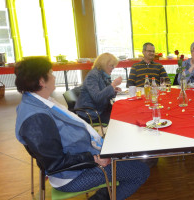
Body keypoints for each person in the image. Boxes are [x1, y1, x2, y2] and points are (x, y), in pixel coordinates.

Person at [14, 57, 150, 200]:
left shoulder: (36, 102)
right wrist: (94, 159)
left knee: (124, 146)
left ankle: (109, 188)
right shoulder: (36, 118)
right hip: (71, 176)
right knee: (141, 171)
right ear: (42, 81)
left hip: (80, 157)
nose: (54, 77)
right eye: (51, 73)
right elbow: (55, 163)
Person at [75, 53, 122, 124]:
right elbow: (97, 97)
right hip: (91, 113)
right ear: (104, 64)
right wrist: (113, 85)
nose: (113, 68)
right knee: (118, 120)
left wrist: (113, 90)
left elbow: (104, 93)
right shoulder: (93, 76)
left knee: (120, 112)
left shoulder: (103, 74)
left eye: (113, 66)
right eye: (111, 66)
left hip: (100, 108)